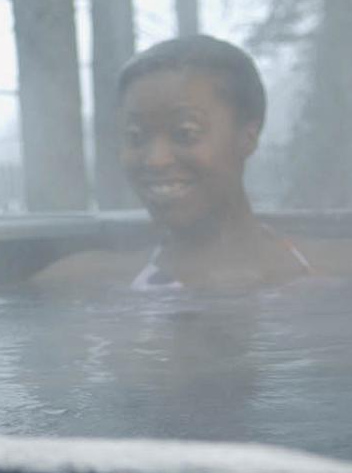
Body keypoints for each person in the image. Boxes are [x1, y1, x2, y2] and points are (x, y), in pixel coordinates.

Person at [35, 35, 348, 291]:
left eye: (185, 133)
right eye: (135, 136)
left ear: (247, 137)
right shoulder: (84, 283)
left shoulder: (334, 271)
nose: (155, 160)